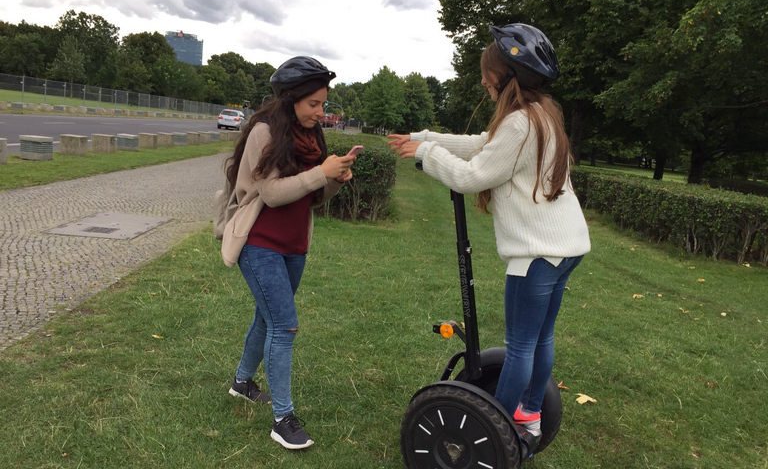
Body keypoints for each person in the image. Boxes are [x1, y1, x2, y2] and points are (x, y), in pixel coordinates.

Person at [388, 24, 590, 439]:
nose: (483, 81)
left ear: (510, 75)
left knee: (519, 348)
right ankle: (529, 415)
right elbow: (484, 143)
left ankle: (496, 428)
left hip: (535, 255)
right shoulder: (542, 115)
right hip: (565, 248)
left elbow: (471, 175)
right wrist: (422, 138)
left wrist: (426, 155)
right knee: (540, 339)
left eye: (488, 73)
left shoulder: (519, 123)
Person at [220, 56, 356, 450]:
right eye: (314, 103)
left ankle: (242, 383)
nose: (320, 111)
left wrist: (336, 179)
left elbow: (311, 198)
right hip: (259, 242)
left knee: (268, 318)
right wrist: (321, 172)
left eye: (323, 104)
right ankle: (283, 419)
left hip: (295, 244)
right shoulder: (264, 132)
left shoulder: (311, 135)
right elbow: (274, 193)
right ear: (292, 98)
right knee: (285, 325)